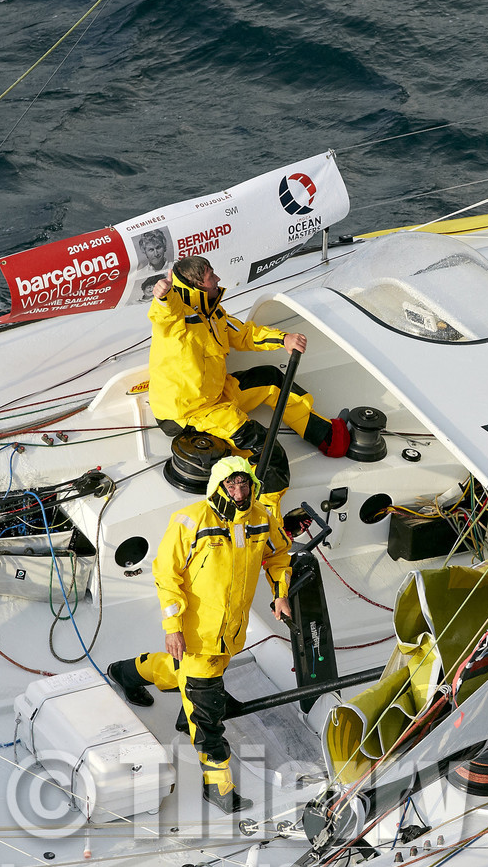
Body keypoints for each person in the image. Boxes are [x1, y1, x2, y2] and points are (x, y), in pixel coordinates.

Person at [108, 457, 291, 814]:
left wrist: (279, 592)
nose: (239, 493)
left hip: (230, 634)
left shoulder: (261, 520)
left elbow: (279, 556)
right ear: (219, 486)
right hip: (195, 634)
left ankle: (125, 673)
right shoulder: (190, 520)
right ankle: (218, 787)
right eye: (232, 486)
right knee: (206, 717)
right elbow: (166, 575)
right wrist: (173, 627)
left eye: (244, 485)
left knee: (187, 677)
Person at [147, 256, 347, 514]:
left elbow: (244, 334)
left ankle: (328, 437)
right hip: (187, 413)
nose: (218, 279)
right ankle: (264, 518)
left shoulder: (214, 313)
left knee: (273, 379)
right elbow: (163, 312)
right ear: (196, 285)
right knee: (267, 450)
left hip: (217, 395)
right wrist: (162, 295)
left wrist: (283, 338)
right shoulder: (175, 317)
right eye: (211, 276)